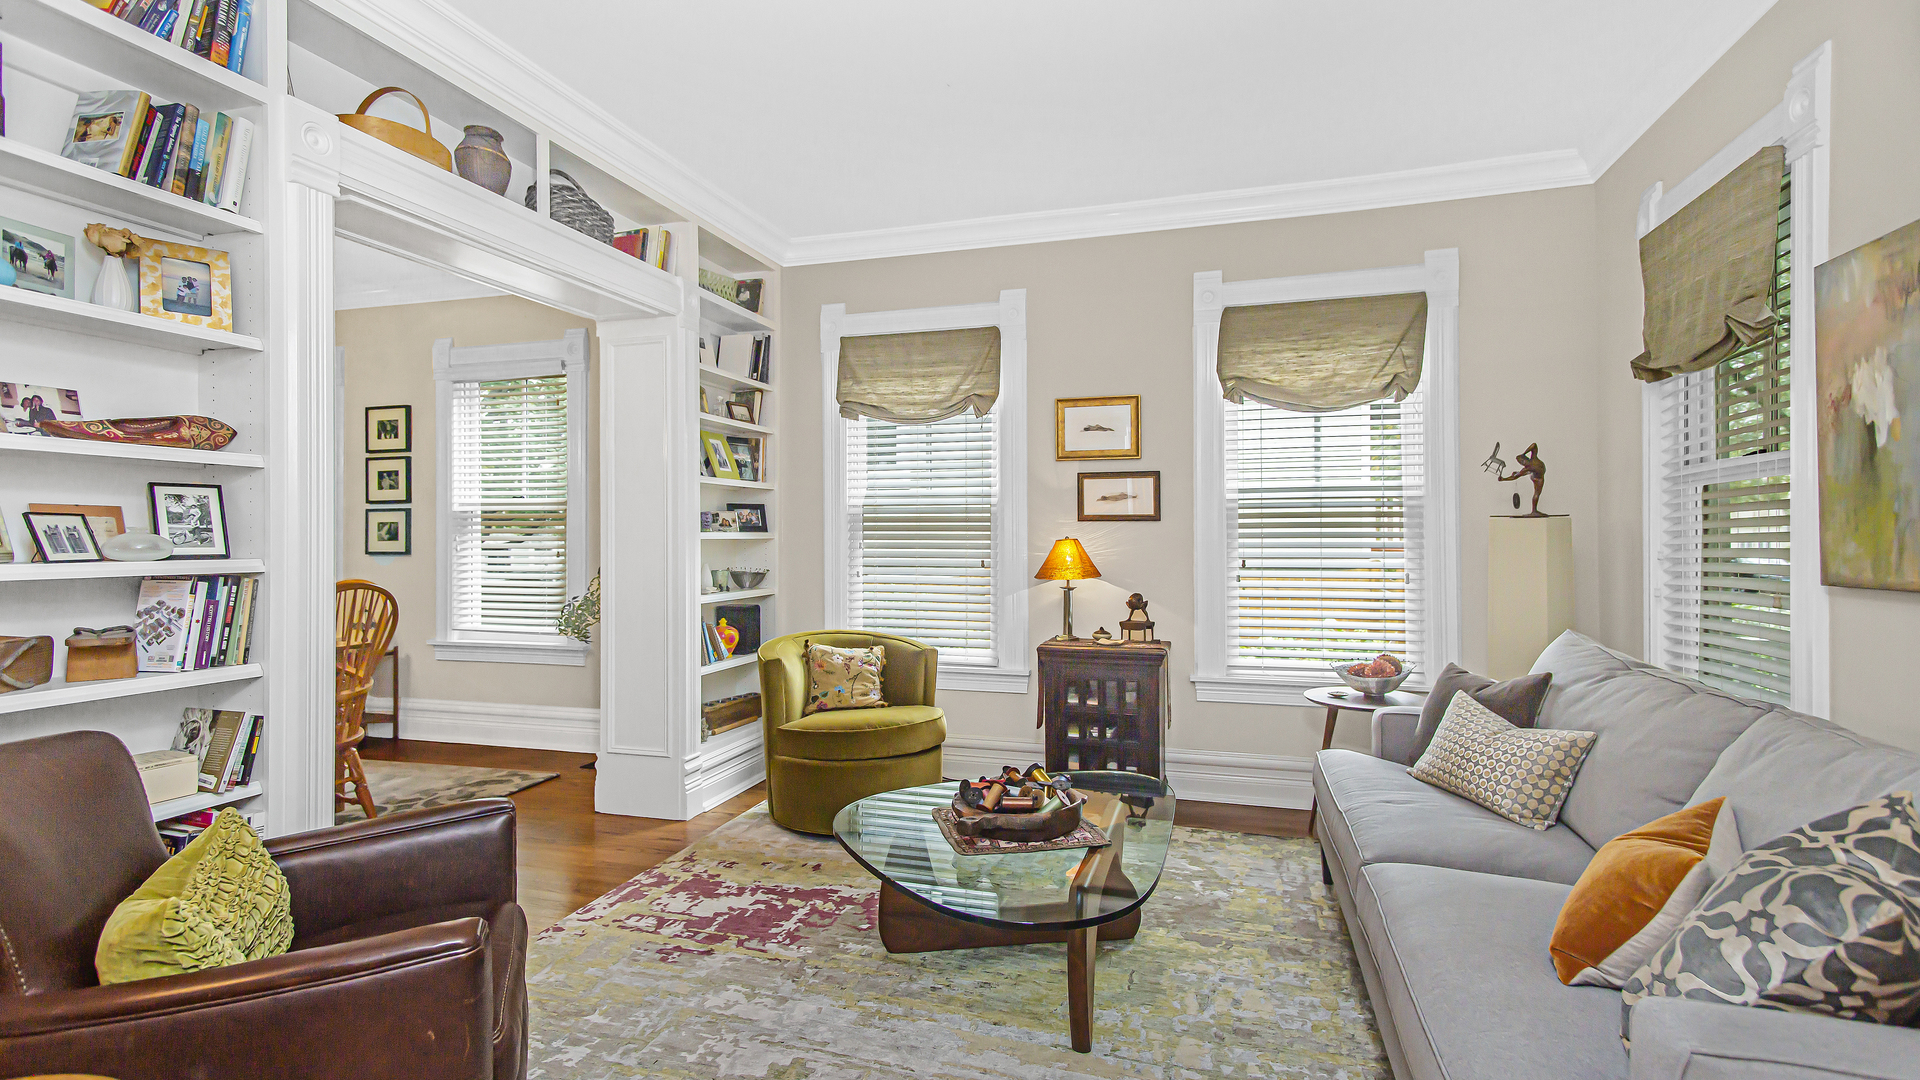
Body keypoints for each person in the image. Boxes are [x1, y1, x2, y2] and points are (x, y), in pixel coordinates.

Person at [1497, 442, 1548, 517]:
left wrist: (1524, 453)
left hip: (1538, 477)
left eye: (1522, 461)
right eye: (1521, 463)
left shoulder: (1533, 459)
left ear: (1526, 459)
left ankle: (1534, 511)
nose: (1523, 463)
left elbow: (1534, 445)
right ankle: (1534, 511)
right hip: (1536, 477)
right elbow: (1515, 477)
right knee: (1535, 492)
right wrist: (1503, 479)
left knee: (1537, 493)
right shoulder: (1527, 467)